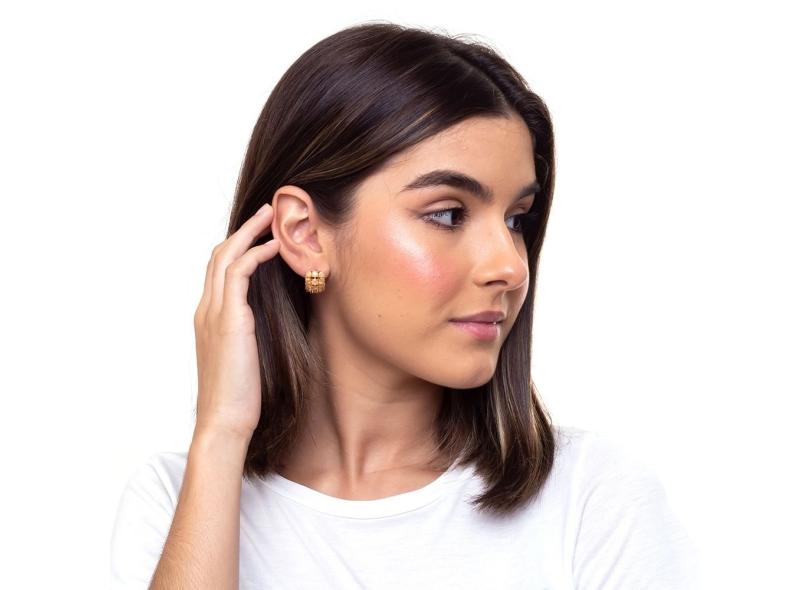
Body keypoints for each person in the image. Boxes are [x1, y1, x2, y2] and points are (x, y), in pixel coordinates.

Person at [110, 21, 702, 589]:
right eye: (448, 214)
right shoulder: (178, 502)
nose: (510, 266)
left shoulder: (591, 499)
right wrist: (220, 432)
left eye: (517, 220)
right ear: (305, 234)